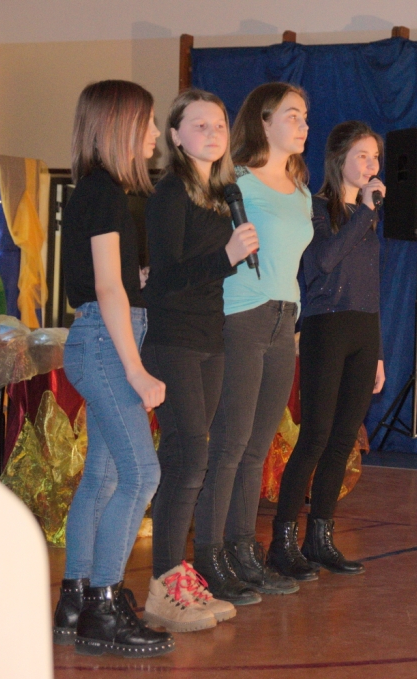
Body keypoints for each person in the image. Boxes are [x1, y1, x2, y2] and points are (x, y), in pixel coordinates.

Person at [51, 80, 173, 658]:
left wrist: (136, 282)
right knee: (142, 475)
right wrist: (136, 370)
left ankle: (75, 599)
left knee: (102, 478)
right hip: (106, 344)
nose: (155, 133)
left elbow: (112, 281)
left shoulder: (98, 192)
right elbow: (106, 290)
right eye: (147, 122)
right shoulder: (104, 194)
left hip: (99, 337)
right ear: (119, 126)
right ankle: (103, 606)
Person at [140, 88, 264, 632]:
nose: (212, 134)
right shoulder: (170, 192)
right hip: (173, 339)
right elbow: (164, 279)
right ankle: (165, 588)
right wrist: (226, 256)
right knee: (187, 459)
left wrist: (228, 259)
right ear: (175, 135)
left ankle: (178, 578)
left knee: (196, 457)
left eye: (219, 125)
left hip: (211, 339)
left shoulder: (222, 193)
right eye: (199, 125)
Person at [192, 83, 313, 597]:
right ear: (263, 121)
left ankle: (243, 548)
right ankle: (209, 555)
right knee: (230, 443)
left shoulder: (301, 188)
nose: (303, 124)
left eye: (305, 116)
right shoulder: (236, 181)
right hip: (242, 316)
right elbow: (206, 249)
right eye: (293, 115)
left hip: (285, 321)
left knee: (258, 447)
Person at [268, 121, 386, 580]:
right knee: (315, 436)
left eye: (375, 157)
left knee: (343, 438)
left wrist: (378, 352)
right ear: (339, 160)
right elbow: (322, 262)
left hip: (363, 331)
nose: (371, 165)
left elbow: (370, 285)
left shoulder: (367, 217)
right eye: (362, 155)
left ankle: (320, 537)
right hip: (325, 328)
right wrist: (363, 213)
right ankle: (282, 540)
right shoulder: (316, 209)